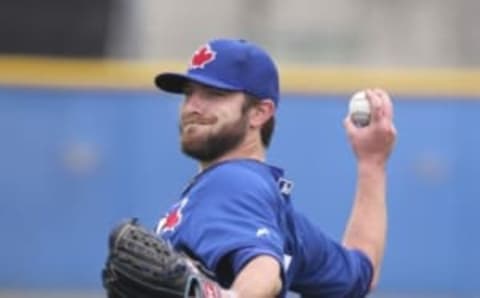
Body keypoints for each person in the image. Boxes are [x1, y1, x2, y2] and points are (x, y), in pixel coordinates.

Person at [153, 38, 396, 298]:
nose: (193, 107)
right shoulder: (275, 212)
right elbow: (359, 275)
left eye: (214, 94)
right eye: (190, 92)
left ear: (259, 113)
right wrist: (372, 163)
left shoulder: (230, 183)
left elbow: (263, 271)